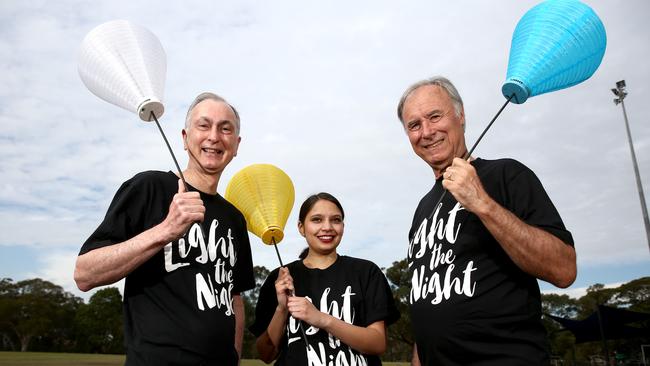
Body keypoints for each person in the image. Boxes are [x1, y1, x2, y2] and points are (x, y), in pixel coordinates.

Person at [396, 76, 577, 365]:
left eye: (434, 116)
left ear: (460, 115)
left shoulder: (507, 175)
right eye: (414, 125)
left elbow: (564, 269)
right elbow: (427, 300)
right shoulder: (423, 209)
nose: (427, 131)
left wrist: (482, 203)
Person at [74, 92, 255, 366]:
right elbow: (84, 274)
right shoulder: (148, 187)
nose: (214, 137)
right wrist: (166, 230)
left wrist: (235, 357)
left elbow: (235, 296)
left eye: (225, 128)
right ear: (184, 137)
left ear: (236, 144)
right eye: (204, 125)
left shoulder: (235, 218)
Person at [249, 192, 400, 365]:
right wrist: (282, 309)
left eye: (336, 220)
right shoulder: (281, 278)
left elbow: (378, 343)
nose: (327, 227)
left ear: (343, 225)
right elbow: (266, 355)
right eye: (317, 220)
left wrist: (321, 319)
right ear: (301, 227)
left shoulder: (366, 272)